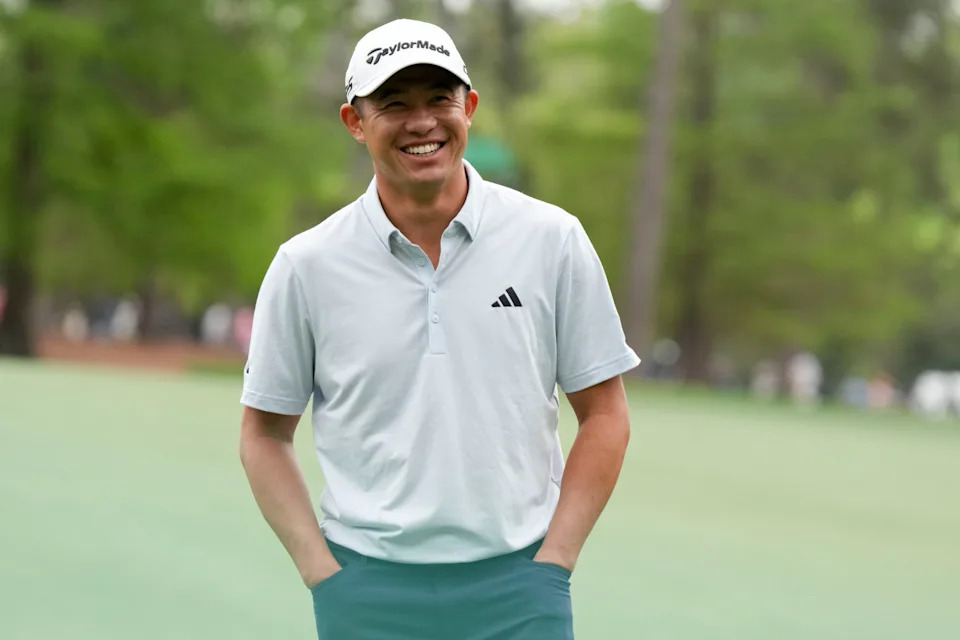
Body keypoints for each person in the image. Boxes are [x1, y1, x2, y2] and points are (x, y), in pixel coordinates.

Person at [239, 18, 640, 640]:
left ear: (469, 107)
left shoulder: (552, 240)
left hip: (519, 590)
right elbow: (264, 434)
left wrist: (554, 562)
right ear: (355, 122)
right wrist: (324, 574)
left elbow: (606, 414)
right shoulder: (306, 266)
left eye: (439, 99)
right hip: (367, 593)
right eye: (394, 104)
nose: (422, 122)